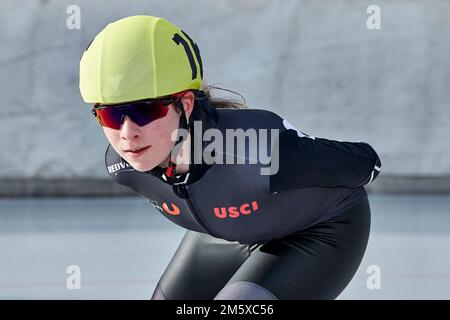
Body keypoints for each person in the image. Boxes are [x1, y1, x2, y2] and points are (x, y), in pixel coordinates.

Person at [79, 15, 382, 300]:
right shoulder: (122, 166)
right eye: (110, 114)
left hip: (318, 231)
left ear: (184, 104)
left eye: (145, 110)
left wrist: (294, 153)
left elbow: (367, 162)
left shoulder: (255, 151)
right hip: (224, 238)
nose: (127, 132)